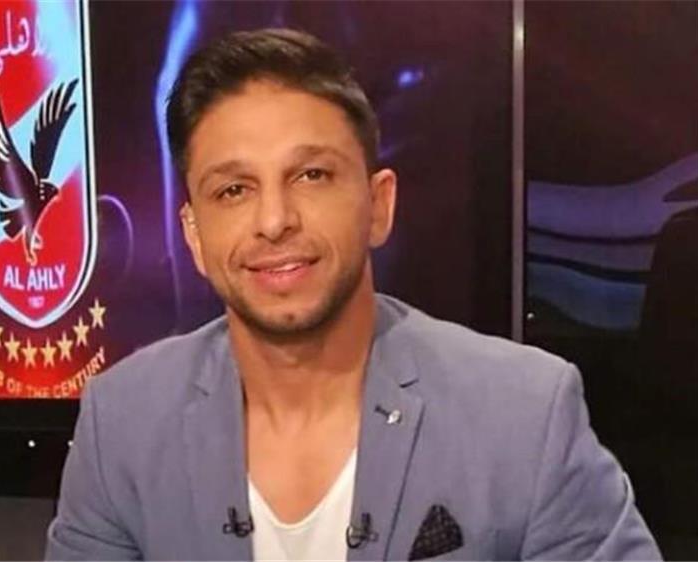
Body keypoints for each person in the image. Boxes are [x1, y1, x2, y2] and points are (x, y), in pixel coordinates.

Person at [45, 28, 661, 561]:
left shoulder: (525, 413)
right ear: (194, 236)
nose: (274, 221)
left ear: (378, 204)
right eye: (233, 190)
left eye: (311, 175)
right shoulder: (121, 422)